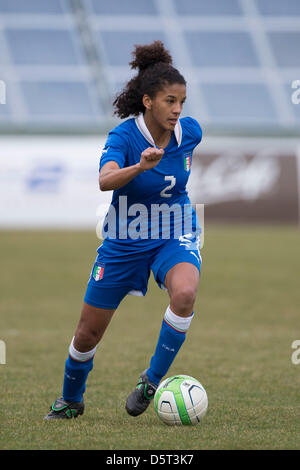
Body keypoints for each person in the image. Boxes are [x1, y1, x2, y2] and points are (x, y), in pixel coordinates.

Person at [44, 40, 202, 420]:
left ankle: (151, 382)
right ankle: (70, 400)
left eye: (181, 101)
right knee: (87, 334)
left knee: (185, 294)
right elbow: (105, 180)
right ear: (148, 101)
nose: (178, 110)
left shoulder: (191, 132)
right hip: (124, 239)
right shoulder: (124, 137)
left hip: (173, 231)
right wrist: (140, 167)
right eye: (169, 101)